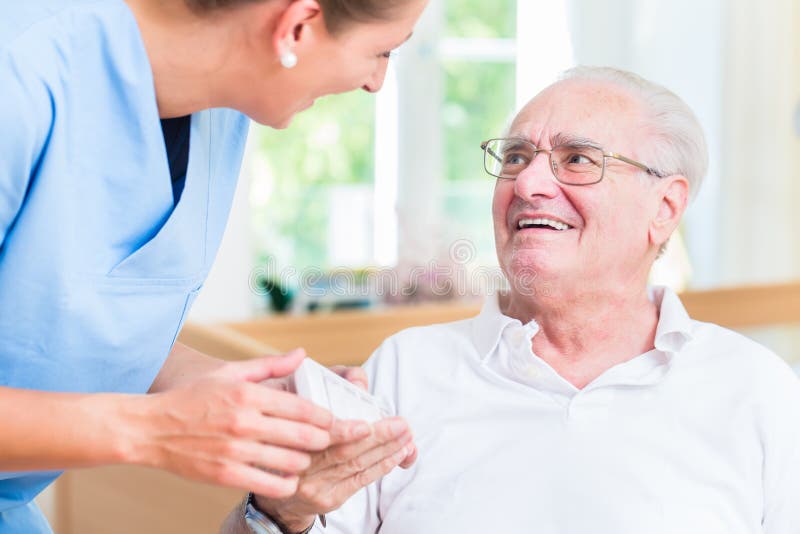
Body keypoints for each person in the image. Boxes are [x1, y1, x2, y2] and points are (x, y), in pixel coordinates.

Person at [251, 66, 800, 533]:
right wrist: (281, 510)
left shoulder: (758, 390)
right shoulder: (404, 371)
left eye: (578, 159)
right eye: (515, 156)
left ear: (665, 208)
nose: (529, 182)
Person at [0, 0, 427, 530]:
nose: (377, 82)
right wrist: (150, 431)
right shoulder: (18, 71)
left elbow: (73, 316)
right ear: (296, 27)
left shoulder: (220, 111)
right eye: (381, 51)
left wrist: (248, 398)